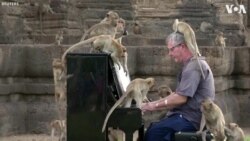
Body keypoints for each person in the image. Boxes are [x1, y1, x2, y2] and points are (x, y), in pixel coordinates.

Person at [141, 31, 215, 141]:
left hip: (192, 119)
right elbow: (177, 94)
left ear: (182, 46)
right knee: (153, 127)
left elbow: (181, 98)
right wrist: (151, 104)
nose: (169, 54)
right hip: (186, 116)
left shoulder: (194, 67)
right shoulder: (190, 65)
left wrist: (153, 106)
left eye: (172, 49)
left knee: (154, 133)